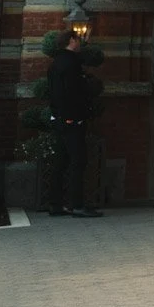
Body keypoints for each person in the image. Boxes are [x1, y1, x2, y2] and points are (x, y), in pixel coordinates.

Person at [45, 27, 102, 217]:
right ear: (71, 40)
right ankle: (77, 204)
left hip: (58, 117)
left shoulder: (55, 63)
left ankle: (55, 203)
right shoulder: (71, 65)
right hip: (72, 118)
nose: (79, 43)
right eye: (77, 39)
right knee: (78, 161)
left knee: (60, 161)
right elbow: (74, 92)